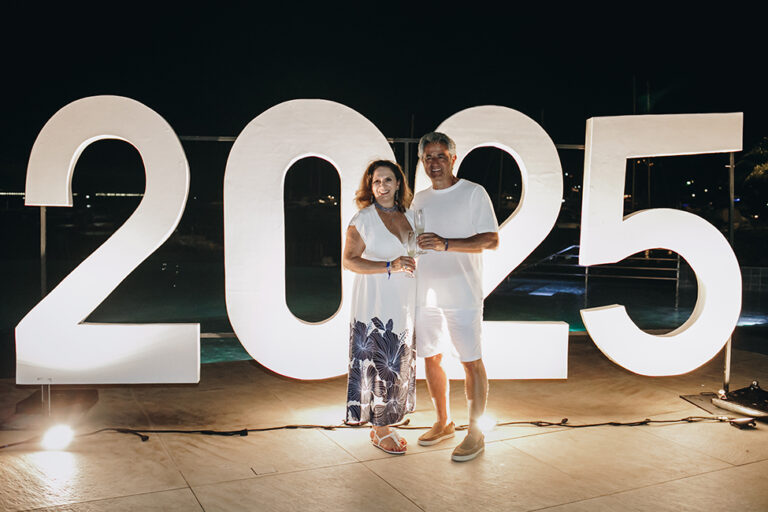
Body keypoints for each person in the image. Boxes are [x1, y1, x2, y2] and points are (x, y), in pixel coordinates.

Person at [413, 131, 499, 462]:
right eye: (428, 157)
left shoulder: (473, 193)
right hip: (426, 294)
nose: (434, 163)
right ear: (422, 162)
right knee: (431, 357)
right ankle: (443, 422)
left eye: (440, 156)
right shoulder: (420, 199)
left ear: (453, 158)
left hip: (463, 292)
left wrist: (446, 243)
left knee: (470, 360)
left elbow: (491, 240)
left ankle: (475, 432)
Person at [342, 159, 417, 454]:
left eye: (387, 180)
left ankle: (387, 421)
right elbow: (349, 261)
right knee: (378, 360)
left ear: (398, 183)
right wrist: (389, 265)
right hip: (374, 302)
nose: (382, 186)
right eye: (376, 181)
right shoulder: (362, 219)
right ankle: (380, 428)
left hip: (404, 300)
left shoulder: (410, 216)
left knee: (396, 361)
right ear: (370, 187)